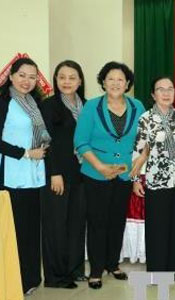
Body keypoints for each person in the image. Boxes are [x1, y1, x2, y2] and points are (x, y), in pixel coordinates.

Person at [74, 61, 145, 289]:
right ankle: (95, 270)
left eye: (120, 79)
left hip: (125, 174)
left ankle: (112, 264)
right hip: (96, 173)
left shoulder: (137, 106)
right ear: (103, 82)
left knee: (116, 221)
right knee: (97, 222)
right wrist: (101, 167)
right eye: (111, 78)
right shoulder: (91, 106)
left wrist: (138, 164)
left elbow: (146, 139)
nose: (115, 83)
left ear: (127, 84)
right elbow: (81, 141)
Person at [0, 57, 49, 295]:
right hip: (11, 174)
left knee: (31, 229)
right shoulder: (3, 102)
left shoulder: (34, 103)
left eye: (32, 77)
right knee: (14, 230)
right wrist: (26, 153)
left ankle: (30, 279)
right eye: (22, 75)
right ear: (10, 76)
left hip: (34, 176)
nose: (27, 81)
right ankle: (13, 280)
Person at [130, 76, 175, 272]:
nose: (166, 93)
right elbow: (139, 150)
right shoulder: (145, 118)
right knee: (157, 227)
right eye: (160, 89)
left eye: (170, 88)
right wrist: (136, 179)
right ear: (153, 94)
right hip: (155, 180)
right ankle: (157, 269)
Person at [40, 60, 87, 289]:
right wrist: (54, 172)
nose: (67, 82)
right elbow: (45, 142)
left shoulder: (87, 106)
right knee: (56, 225)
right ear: (56, 80)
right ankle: (56, 276)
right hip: (58, 174)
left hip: (82, 175)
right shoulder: (48, 106)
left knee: (76, 224)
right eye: (62, 77)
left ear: (80, 81)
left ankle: (75, 269)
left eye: (72, 77)